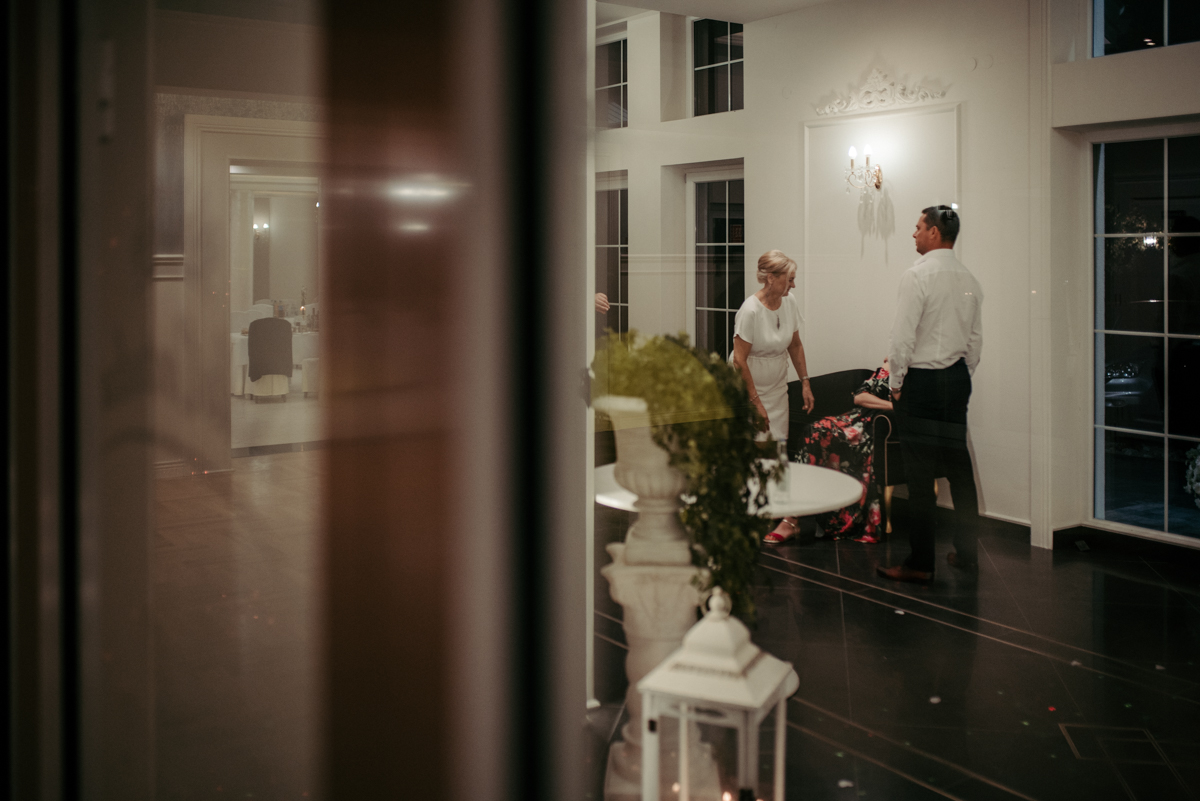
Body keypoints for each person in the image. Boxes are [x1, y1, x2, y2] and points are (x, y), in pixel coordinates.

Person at [877, 205, 983, 584]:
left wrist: (896, 383)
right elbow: (974, 342)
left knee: (920, 476)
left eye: (918, 227)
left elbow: (901, 337)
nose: (914, 233)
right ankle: (967, 554)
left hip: (920, 383)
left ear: (934, 232)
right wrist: (959, 376)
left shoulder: (917, 275)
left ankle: (921, 564)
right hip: (956, 379)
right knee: (960, 471)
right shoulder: (970, 279)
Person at [730, 250, 815, 543]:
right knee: (754, 448)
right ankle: (751, 509)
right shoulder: (750, 310)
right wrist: (755, 403)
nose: (793, 285)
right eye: (789, 279)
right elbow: (739, 360)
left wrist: (805, 382)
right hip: (747, 385)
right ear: (770, 278)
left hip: (777, 384)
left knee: (775, 448)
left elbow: (795, 345)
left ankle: (786, 517)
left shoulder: (789, 302)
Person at [798, 359, 893, 542]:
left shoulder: (918, 371)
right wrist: (890, 405)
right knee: (814, 430)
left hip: (875, 424)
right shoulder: (888, 365)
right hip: (857, 417)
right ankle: (803, 510)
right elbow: (859, 397)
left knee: (827, 435)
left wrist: (885, 405)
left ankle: (817, 517)